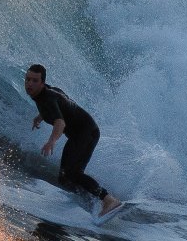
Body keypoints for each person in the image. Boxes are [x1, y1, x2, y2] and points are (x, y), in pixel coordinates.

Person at [24, 64, 122, 218]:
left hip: (86, 132)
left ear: (42, 83)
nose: (30, 84)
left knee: (72, 173)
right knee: (64, 178)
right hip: (82, 133)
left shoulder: (47, 98)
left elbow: (60, 123)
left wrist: (51, 141)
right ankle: (92, 200)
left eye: (35, 81)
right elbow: (61, 102)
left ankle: (109, 200)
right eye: (28, 79)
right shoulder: (45, 93)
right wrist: (40, 116)